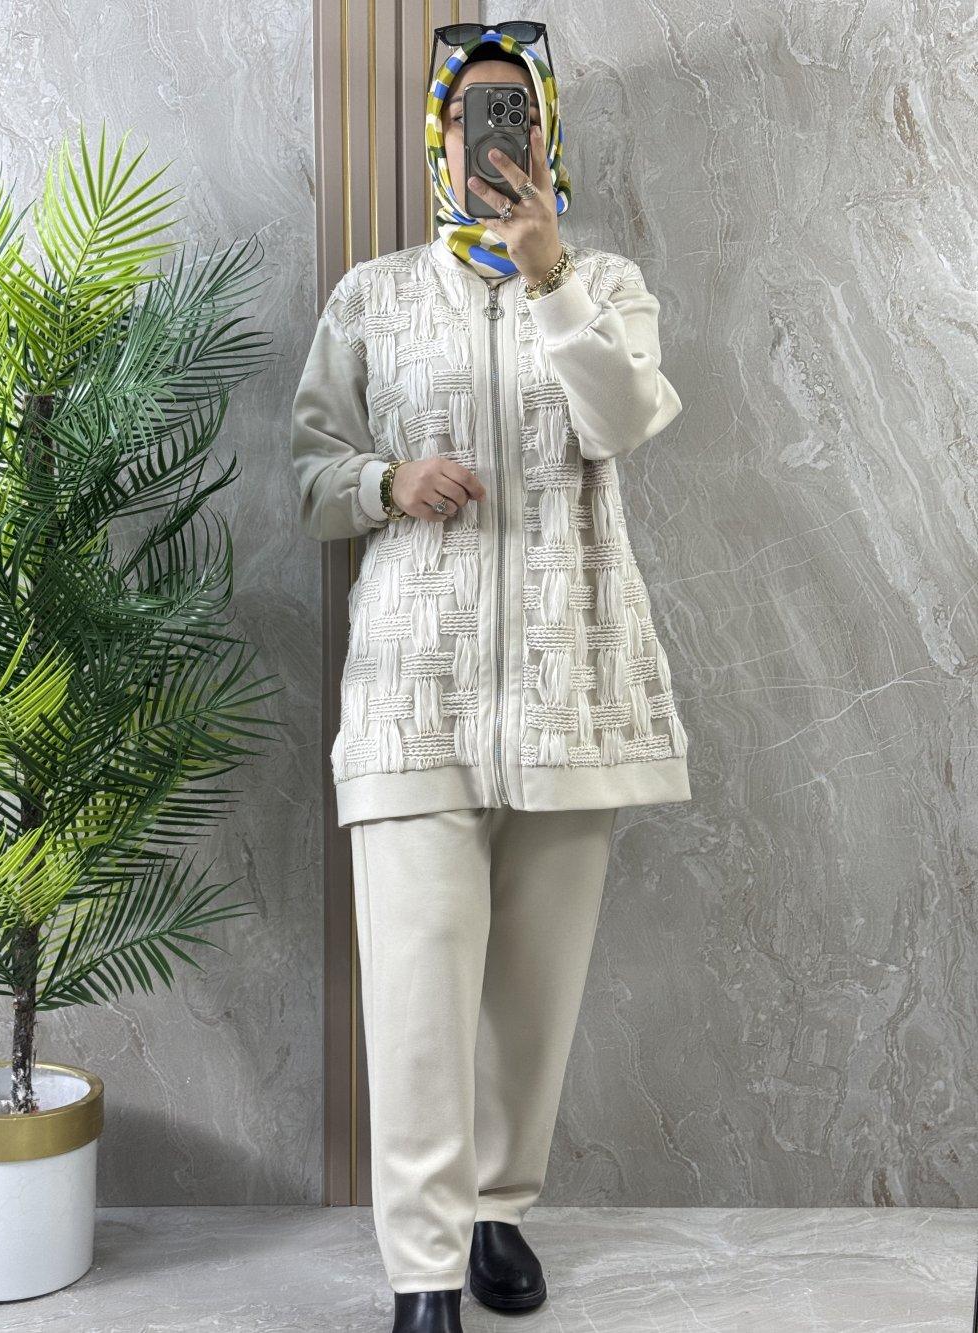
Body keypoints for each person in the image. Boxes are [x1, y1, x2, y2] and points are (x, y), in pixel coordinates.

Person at [291, 23, 691, 1333]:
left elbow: (620, 422)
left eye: (518, 110)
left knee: (533, 997)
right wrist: (385, 480)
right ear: (440, 133)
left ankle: (497, 1211)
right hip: (415, 693)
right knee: (415, 1003)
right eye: (474, 113)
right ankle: (424, 1274)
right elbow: (309, 475)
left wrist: (549, 276)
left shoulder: (607, 282)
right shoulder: (371, 295)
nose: (494, 133)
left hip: (572, 688)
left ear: (547, 130)